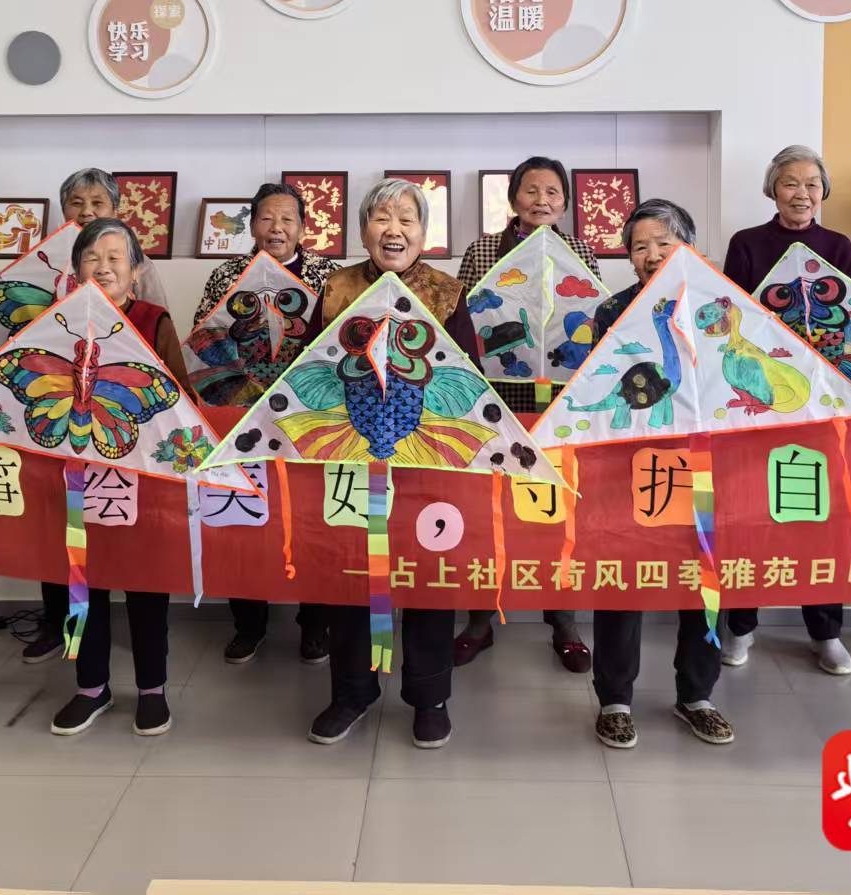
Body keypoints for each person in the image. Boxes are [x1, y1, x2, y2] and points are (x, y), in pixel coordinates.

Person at [306, 179, 468, 750]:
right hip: (349, 456)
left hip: (428, 462)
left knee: (429, 576)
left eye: (406, 219)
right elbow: (306, 375)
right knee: (350, 570)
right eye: (381, 217)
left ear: (424, 234)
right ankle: (352, 691)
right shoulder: (337, 288)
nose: (393, 229)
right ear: (362, 230)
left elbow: (468, 384)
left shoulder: (448, 293)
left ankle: (430, 696)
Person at [587, 199, 733, 750]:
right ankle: (614, 700)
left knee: (705, 577)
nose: (651, 255)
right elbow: (599, 389)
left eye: (664, 244)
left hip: (706, 465)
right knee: (621, 579)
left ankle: (697, 696)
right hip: (630, 465)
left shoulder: (719, 305)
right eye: (640, 247)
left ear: (688, 248)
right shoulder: (612, 311)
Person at [50, 218, 199, 737]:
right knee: (82, 579)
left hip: (143, 474)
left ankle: (152, 689)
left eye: (116, 258)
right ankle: (91, 687)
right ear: (76, 269)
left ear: (136, 272)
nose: (104, 267)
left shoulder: (154, 319)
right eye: (92, 257)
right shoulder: (58, 321)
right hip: (76, 472)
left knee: (144, 581)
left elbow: (182, 397)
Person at [452, 156, 596, 673]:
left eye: (552, 192)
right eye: (531, 190)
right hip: (498, 396)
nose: (542, 200)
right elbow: (462, 318)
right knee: (487, 509)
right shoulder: (483, 249)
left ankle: (564, 623)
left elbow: (593, 318)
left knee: (559, 505)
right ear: (514, 198)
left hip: (558, 401)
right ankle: (480, 621)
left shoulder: (579, 249)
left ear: (565, 202)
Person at [719, 145, 851, 675]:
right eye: (790, 183)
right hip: (759, 393)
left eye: (812, 184)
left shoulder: (838, 245)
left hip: (818, 400)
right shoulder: (746, 243)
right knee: (749, 511)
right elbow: (731, 315)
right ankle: (740, 626)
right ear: (772, 189)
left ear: (824, 191)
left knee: (817, 514)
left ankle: (826, 632)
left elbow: (848, 318)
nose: (802, 193)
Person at [25, 167, 167, 664]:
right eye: (76, 203)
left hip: (137, 453)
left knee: (142, 568)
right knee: (75, 563)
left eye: (97, 204)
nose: (104, 268)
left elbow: (172, 386)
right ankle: (85, 673)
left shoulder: (149, 307)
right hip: (70, 451)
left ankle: (151, 679)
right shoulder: (51, 297)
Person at [193, 182, 339, 667]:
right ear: (252, 224)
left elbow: (343, 342)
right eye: (266, 219)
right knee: (243, 516)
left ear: (302, 227)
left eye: (287, 219)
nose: (277, 228)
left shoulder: (328, 275)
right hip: (242, 411)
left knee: (312, 519)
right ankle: (248, 624)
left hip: (310, 413)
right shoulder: (226, 275)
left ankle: (315, 626)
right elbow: (203, 342)